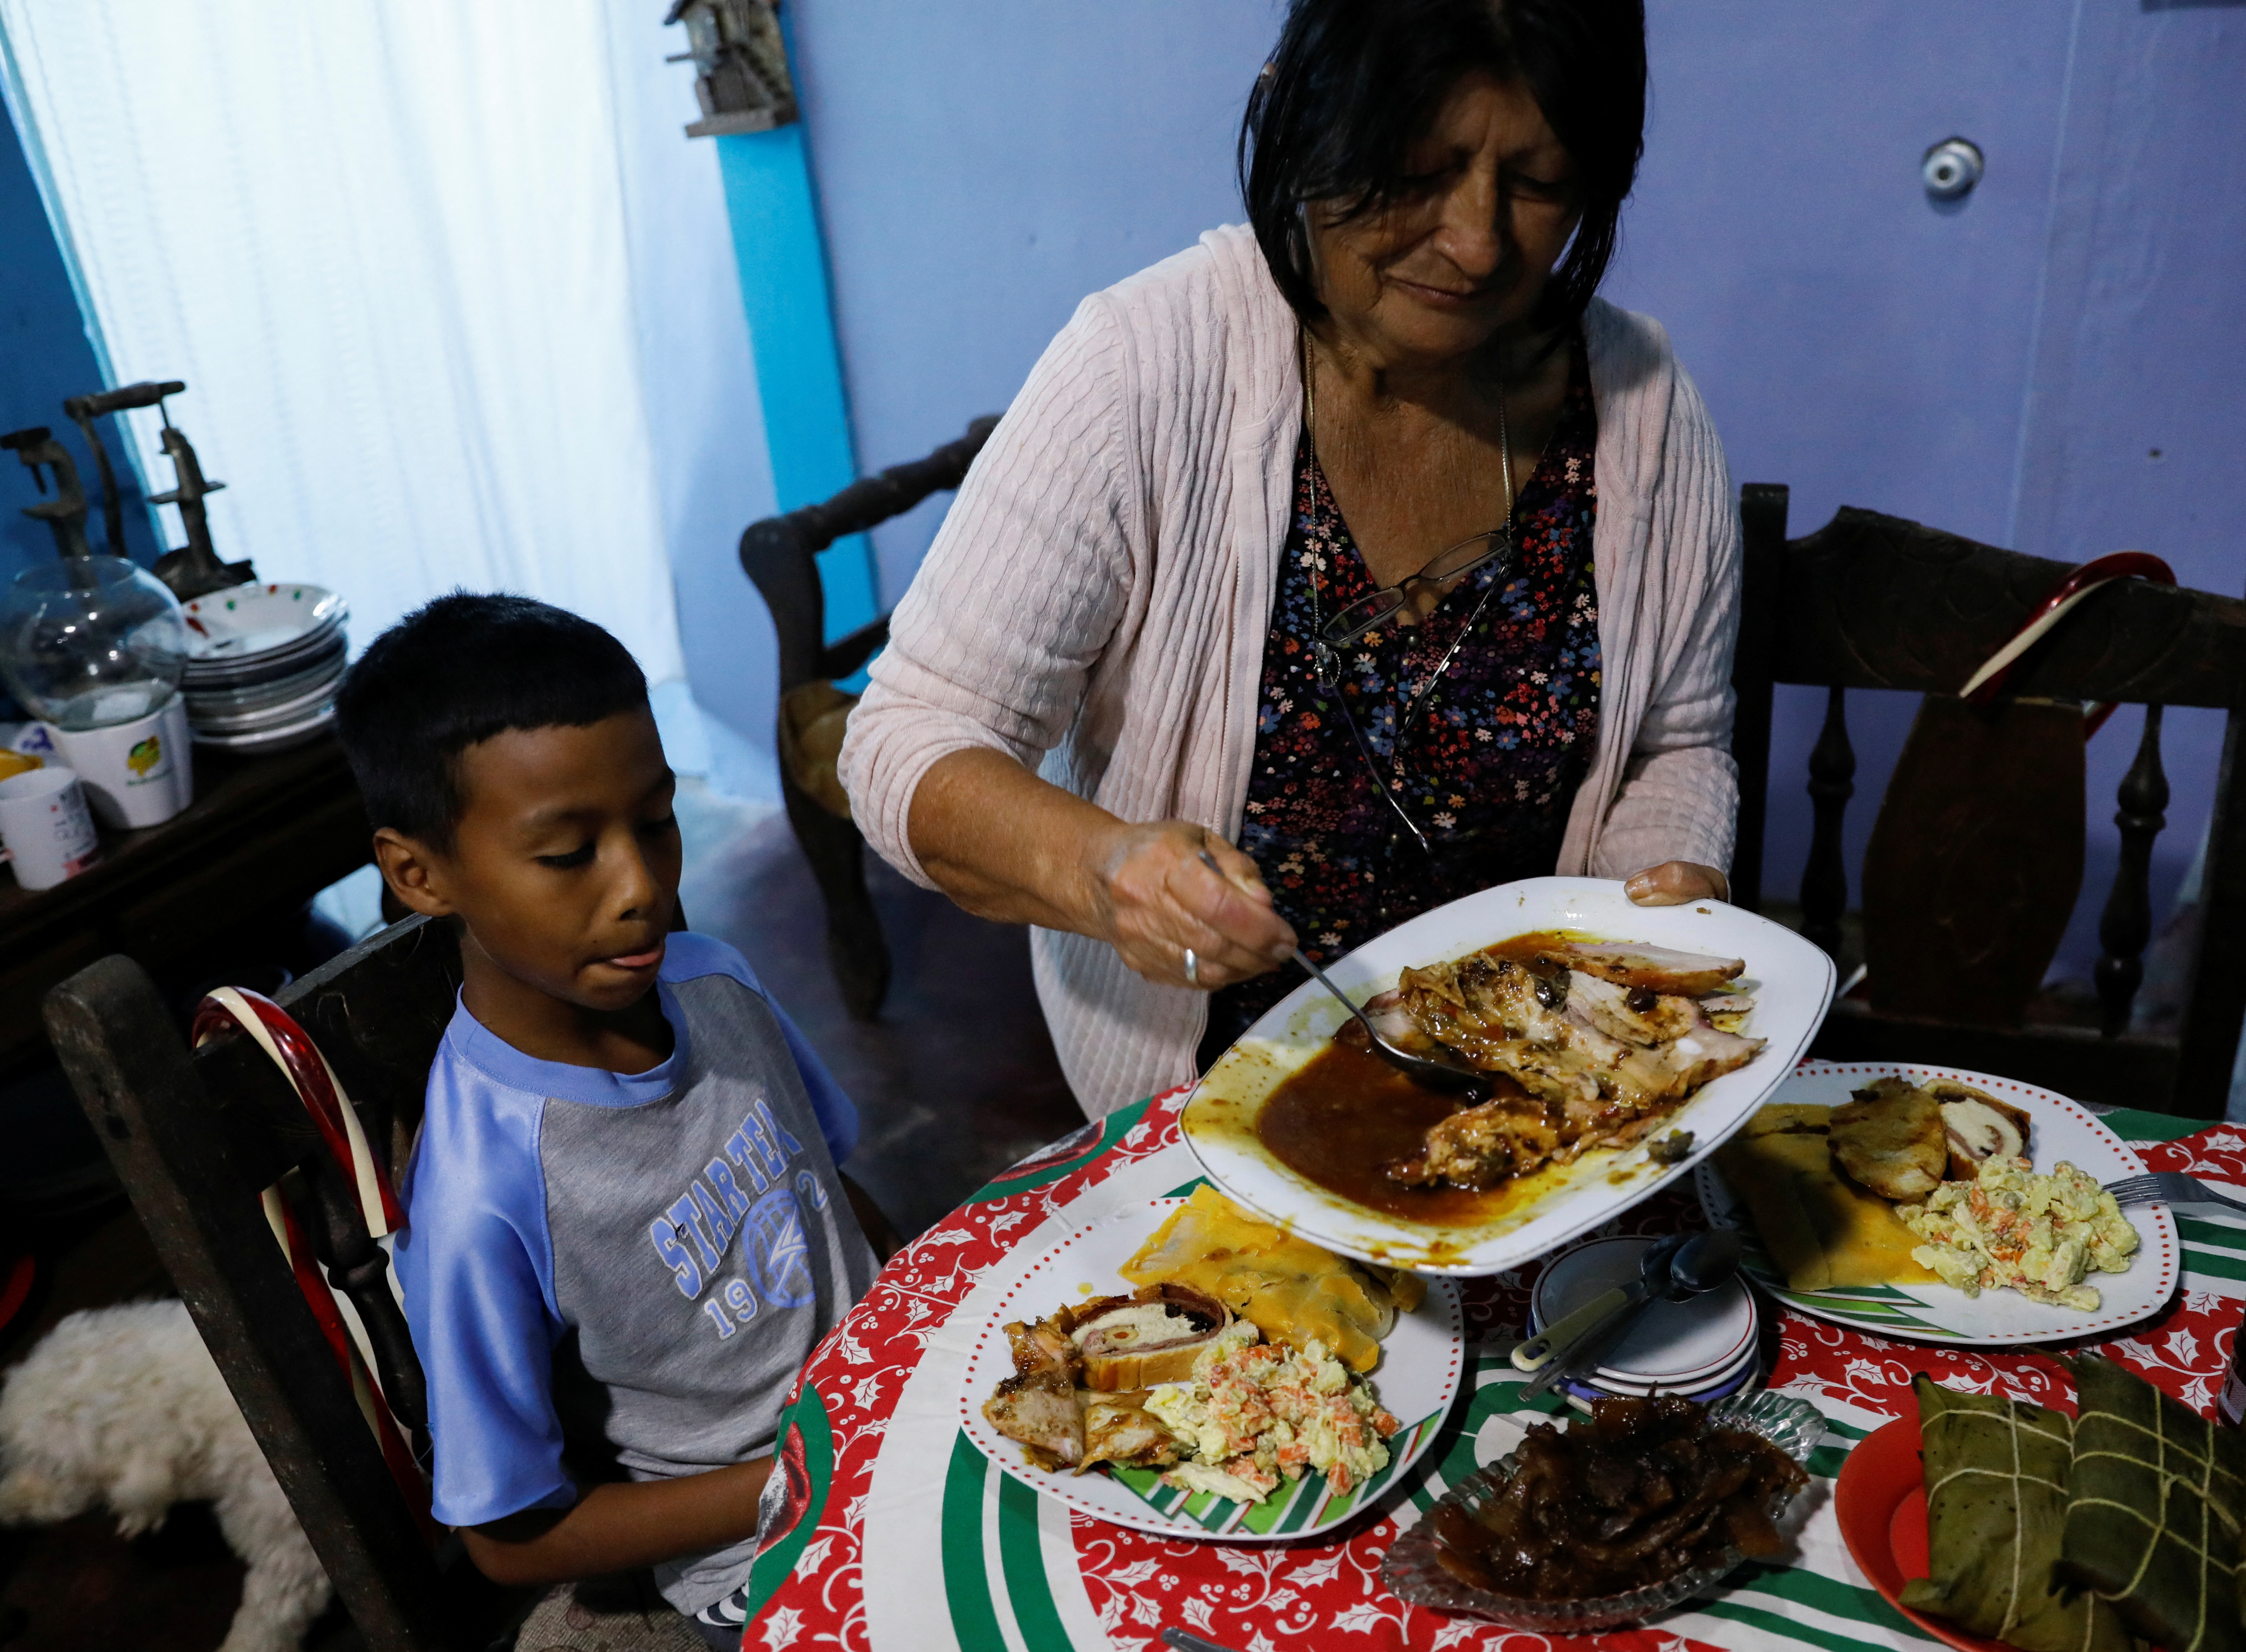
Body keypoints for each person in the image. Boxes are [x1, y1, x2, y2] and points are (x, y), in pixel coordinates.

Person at [843, 0, 1737, 1118]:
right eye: (1418, 169)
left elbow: (1676, 742)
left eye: (1538, 182)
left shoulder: (1644, 411)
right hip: (1214, 1098)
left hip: (1539, 1081)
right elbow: (908, 741)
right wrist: (1108, 869)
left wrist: (1665, 897)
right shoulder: (1144, 370)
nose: (1474, 239)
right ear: (1295, 111)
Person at [334, 595, 878, 1649]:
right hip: (762, 1558)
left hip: (899, 1410)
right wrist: (818, 1466)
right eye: (568, 853)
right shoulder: (485, 1189)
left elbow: (834, 1192)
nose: (642, 887)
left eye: (656, 822)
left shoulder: (716, 982)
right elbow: (509, 1538)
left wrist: (928, 1344)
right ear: (419, 874)